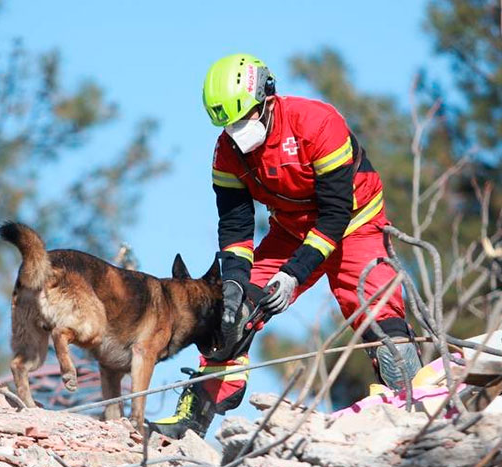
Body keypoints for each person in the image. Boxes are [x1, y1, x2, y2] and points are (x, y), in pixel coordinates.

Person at [151, 53, 423, 439]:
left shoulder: (318, 124)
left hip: (356, 224)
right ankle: (194, 417)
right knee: (231, 312)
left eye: (244, 118)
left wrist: (293, 275)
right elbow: (235, 225)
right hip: (290, 231)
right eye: (229, 124)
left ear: (267, 99)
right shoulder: (227, 152)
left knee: (379, 313)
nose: (238, 130)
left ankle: (414, 409)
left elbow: (335, 214)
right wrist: (234, 285)